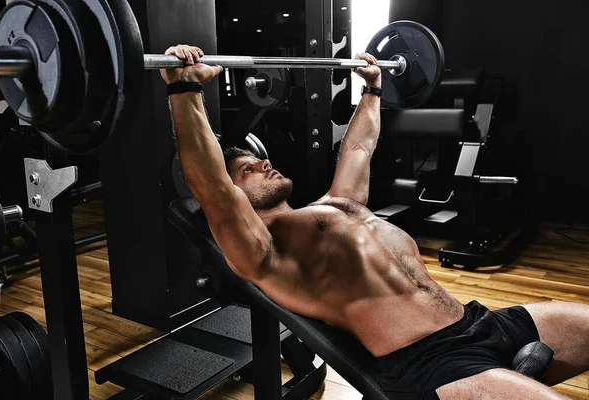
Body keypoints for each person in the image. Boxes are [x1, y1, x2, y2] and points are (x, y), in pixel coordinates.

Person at [160, 45, 588, 399]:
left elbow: (360, 147)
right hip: (432, 366)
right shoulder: (266, 251)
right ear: (236, 193)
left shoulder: (338, 203)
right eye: (249, 169)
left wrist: (374, 87)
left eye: (261, 159)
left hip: (480, 323)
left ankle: (518, 375)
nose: (265, 163)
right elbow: (211, 187)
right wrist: (184, 89)